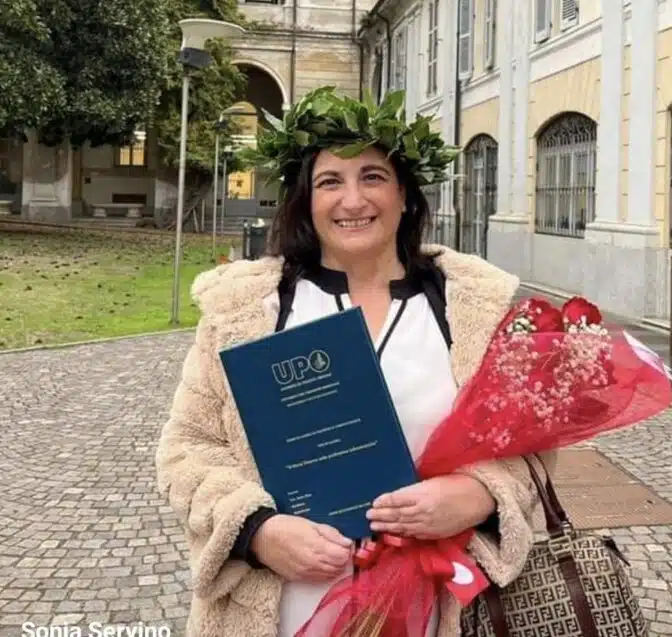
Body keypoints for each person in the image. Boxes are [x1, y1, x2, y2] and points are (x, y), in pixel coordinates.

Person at [155, 87, 557, 637]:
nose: (352, 200)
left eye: (372, 177)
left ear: (404, 195)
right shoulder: (248, 310)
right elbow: (187, 446)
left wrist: (479, 495)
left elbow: (530, 448)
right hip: (279, 611)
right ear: (306, 199)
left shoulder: (471, 309)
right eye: (330, 182)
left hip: (434, 608)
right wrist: (257, 531)